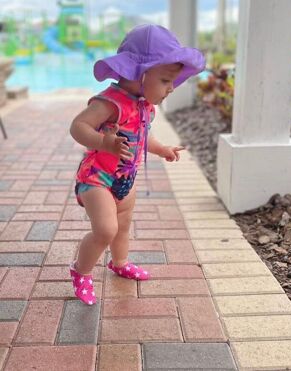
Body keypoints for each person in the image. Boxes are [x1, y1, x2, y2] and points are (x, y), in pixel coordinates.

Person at [69, 24, 205, 305]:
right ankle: (80, 271)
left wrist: (162, 149)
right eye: (166, 80)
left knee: (123, 224)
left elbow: (144, 135)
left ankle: (119, 263)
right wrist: (104, 142)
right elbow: (78, 126)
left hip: (124, 178)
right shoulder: (110, 102)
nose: (171, 89)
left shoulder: (144, 105)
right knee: (105, 229)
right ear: (141, 73)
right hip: (97, 178)